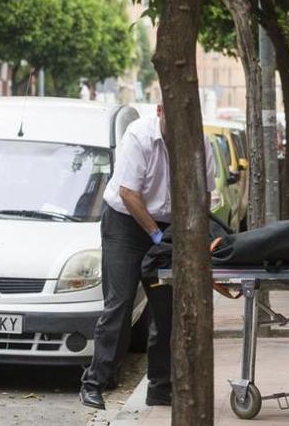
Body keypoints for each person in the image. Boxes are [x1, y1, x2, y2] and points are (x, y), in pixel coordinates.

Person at [79, 104, 215, 410]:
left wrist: (184, 232)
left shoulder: (200, 142)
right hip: (126, 224)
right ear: (160, 111)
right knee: (120, 303)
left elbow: (204, 193)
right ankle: (95, 382)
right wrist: (156, 235)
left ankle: (159, 387)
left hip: (168, 226)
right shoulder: (139, 136)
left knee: (165, 310)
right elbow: (128, 193)